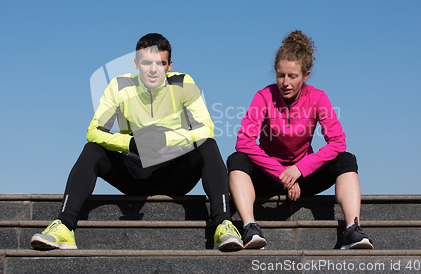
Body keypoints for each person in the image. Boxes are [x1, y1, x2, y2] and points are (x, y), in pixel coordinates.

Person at [31, 33, 243, 251]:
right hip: (134, 172)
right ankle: (64, 226)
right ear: (135, 63)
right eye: (146, 63)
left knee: (208, 145)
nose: (153, 69)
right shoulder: (119, 86)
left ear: (169, 65)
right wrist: (131, 143)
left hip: (174, 174)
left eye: (160, 63)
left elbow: (206, 129)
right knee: (92, 149)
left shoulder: (183, 83)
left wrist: (164, 139)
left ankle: (223, 225)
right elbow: (94, 131)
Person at [227, 30, 373, 250]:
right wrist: (281, 173)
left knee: (346, 159)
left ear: (305, 75)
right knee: (236, 159)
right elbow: (244, 141)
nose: (285, 82)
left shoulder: (317, 98)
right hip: (268, 174)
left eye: (292, 76)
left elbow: (337, 142)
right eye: (280, 75)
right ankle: (249, 227)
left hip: (303, 175)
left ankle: (352, 229)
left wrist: (299, 170)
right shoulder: (264, 96)